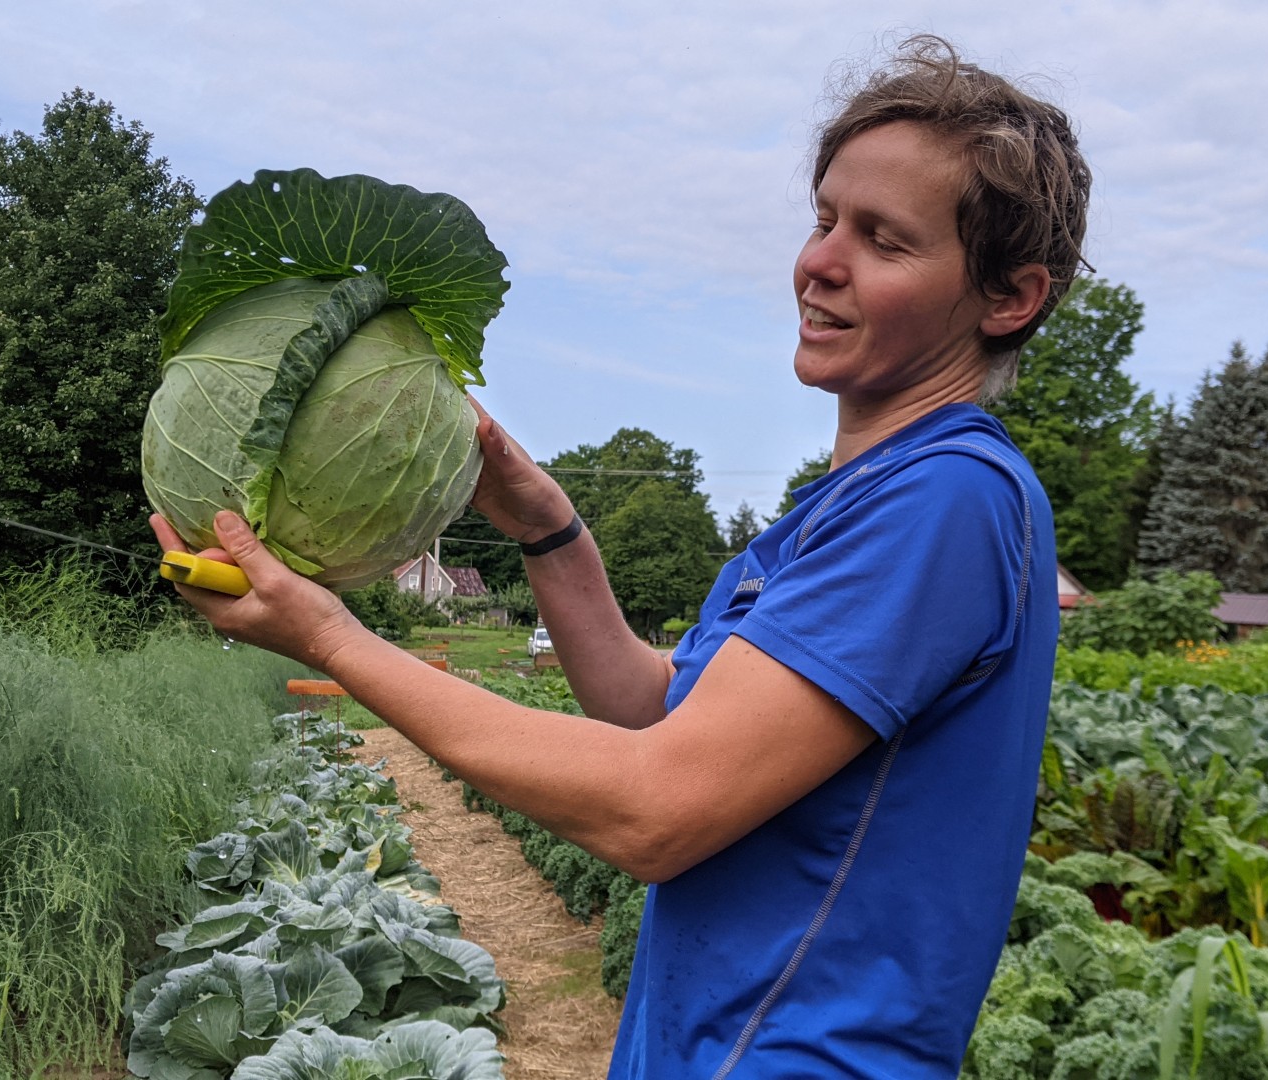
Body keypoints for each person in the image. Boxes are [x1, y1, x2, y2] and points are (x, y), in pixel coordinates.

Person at [152, 34, 1088, 1079]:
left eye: (885, 240)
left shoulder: (946, 499)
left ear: (1008, 297)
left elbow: (656, 808)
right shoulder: (850, 505)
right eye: (825, 219)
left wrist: (331, 638)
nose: (820, 262)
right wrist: (550, 530)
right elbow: (654, 711)